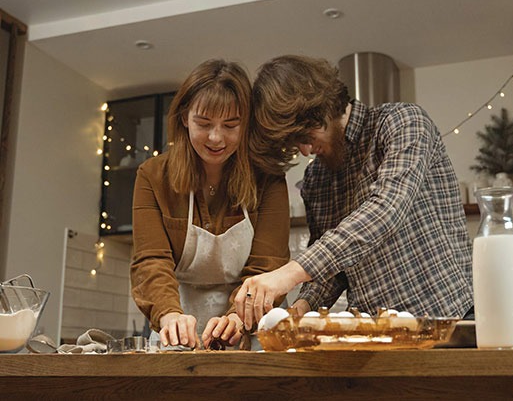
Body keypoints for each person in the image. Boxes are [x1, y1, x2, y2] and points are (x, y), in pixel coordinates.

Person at [235, 55, 473, 330]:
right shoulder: (317, 178)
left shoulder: (403, 123)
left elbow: (385, 212)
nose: (305, 151)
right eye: (295, 144)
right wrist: (302, 306)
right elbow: (332, 270)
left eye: (306, 137)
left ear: (322, 108)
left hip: (446, 320)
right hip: (373, 332)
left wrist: (288, 273)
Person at [130, 59, 290, 349]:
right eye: (204, 124)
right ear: (184, 118)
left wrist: (237, 318)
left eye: (231, 125)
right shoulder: (152, 176)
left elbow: (267, 265)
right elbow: (151, 260)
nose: (216, 137)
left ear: (247, 124)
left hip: (251, 326)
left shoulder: (268, 178)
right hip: (176, 327)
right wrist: (169, 315)